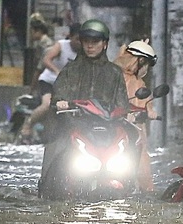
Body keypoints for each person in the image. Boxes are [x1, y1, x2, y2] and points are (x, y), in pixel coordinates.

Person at [39, 19, 129, 196]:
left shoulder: (115, 72)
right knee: (55, 146)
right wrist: (60, 102)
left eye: (95, 42)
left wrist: (128, 114)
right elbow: (59, 94)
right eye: (86, 41)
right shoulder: (71, 69)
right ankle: (45, 189)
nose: (90, 46)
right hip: (73, 126)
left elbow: (122, 103)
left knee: (129, 151)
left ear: (105, 44)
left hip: (106, 130)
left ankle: (132, 188)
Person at [20, 25, 79, 142]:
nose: (80, 42)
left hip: (66, 86)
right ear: (71, 37)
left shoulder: (85, 52)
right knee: (47, 105)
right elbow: (46, 60)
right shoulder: (61, 45)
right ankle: (28, 124)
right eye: (77, 39)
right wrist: (57, 71)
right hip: (49, 81)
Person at [114, 40, 159, 192]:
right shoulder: (112, 75)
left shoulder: (139, 83)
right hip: (112, 127)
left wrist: (150, 112)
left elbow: (146, 105)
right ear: (140, 61)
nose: (146, 69)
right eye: (146, 65)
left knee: (145, 179)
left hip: (134, 129)